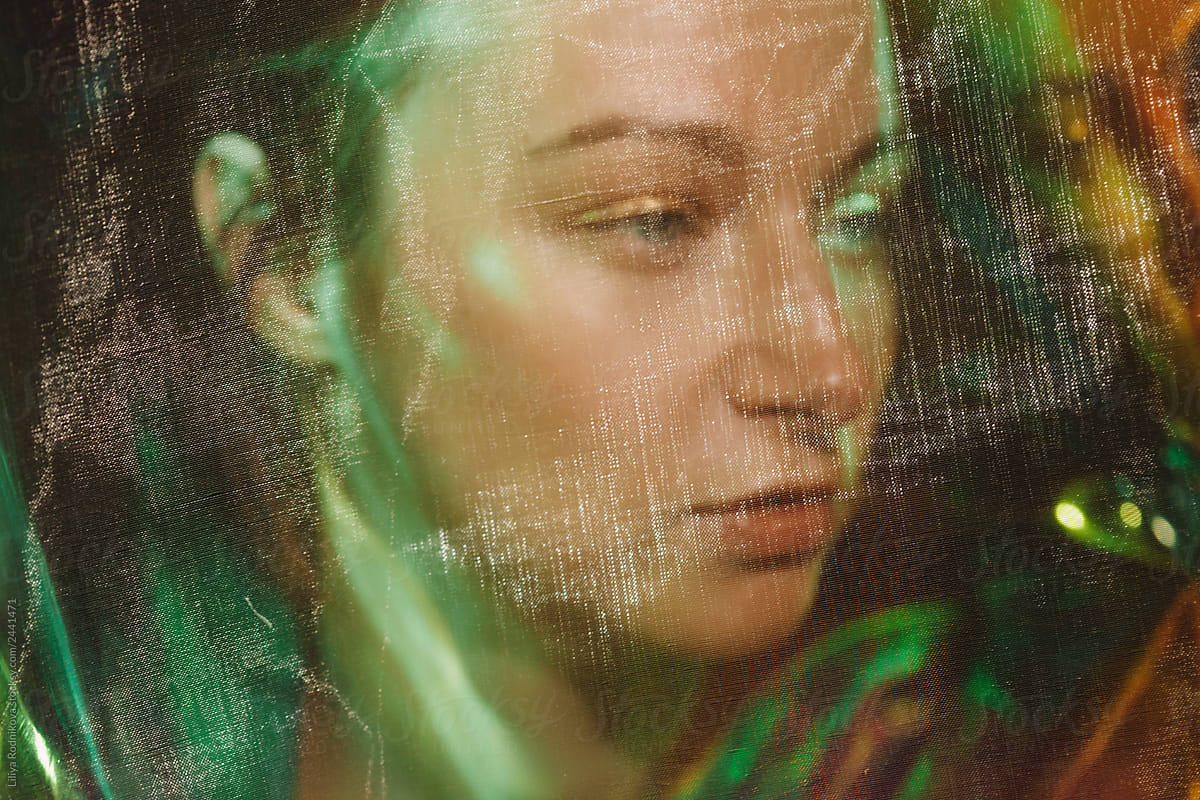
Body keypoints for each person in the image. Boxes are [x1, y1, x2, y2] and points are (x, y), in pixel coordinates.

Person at [3, 0, 1200, 797]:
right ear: (284, 258)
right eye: (653, 218)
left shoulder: (1047, 728)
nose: (828, 370)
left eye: (857, 213)